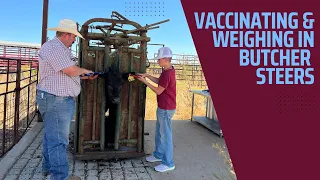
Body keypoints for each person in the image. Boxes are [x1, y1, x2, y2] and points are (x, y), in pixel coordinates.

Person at [36, 19, 98, 180]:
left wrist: (83, 77)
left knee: (52, 136)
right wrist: (86, 70)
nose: (74, 40)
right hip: (57, 100)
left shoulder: (60, 49)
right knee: (58, 141)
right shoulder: (54, 47)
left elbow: (63, 74)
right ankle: (59, 177)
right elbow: (70, 70)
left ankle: (48, 169)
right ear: (66, 34)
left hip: (55, 98)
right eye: (73, 37)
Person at [136, 47, 176, 172]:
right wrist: (147, 76)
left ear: (165, 59)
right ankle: (158, 154)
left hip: (166, 108)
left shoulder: (168, 73)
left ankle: (169, 163)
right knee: (160, 133)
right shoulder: (167, 71)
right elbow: (160, 82)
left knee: (165, 135)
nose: (158, 61)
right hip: (163, 107)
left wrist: (144, 82)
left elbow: (159, 90)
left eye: (159, 59)